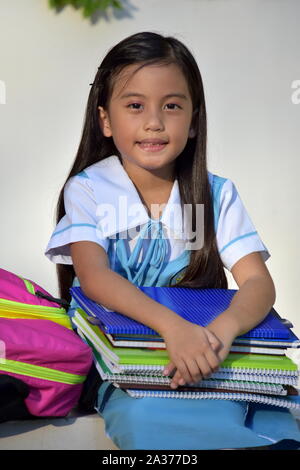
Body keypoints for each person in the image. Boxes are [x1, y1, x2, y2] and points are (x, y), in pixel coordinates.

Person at [45, 31, 300, 450]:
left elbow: (258, 283)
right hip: (128, 359)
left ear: (194, 119)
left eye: (172, 106)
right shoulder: (89, 189)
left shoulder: (217, 193)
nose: (154, 122)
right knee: (144, 416)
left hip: (205, 347)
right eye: (134, 105)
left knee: (258, 406)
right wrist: (172, 328)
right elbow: (94, 279)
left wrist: (220, 332)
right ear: (105, 119)